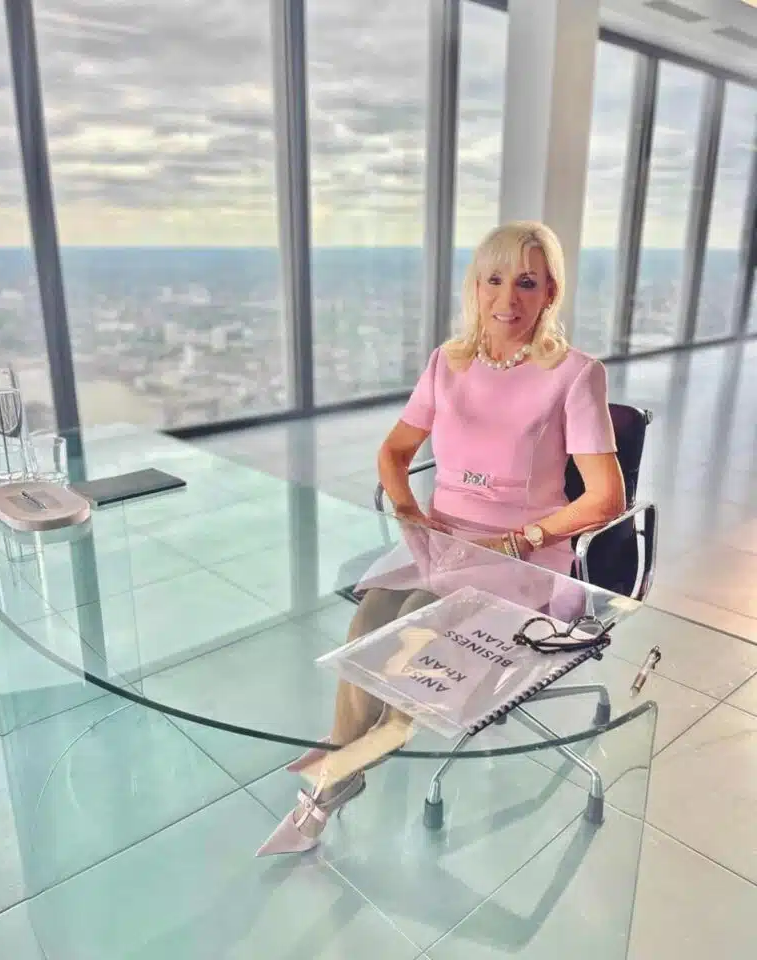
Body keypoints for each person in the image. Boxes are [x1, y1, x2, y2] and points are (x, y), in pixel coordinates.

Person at [256, 220, 626, 857]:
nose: (507, 298)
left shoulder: (575, 374)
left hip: (521, 552)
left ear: (550, 292)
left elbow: (605, 498)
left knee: (414, 627)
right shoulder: (447, 363)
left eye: (526, 282)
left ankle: (333, 780)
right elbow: (394, 452)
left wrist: (523, 538)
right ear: (474, 286)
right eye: (493, 279)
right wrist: (407, 510)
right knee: (370, 620)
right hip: (443, 541)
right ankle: (345, 753)